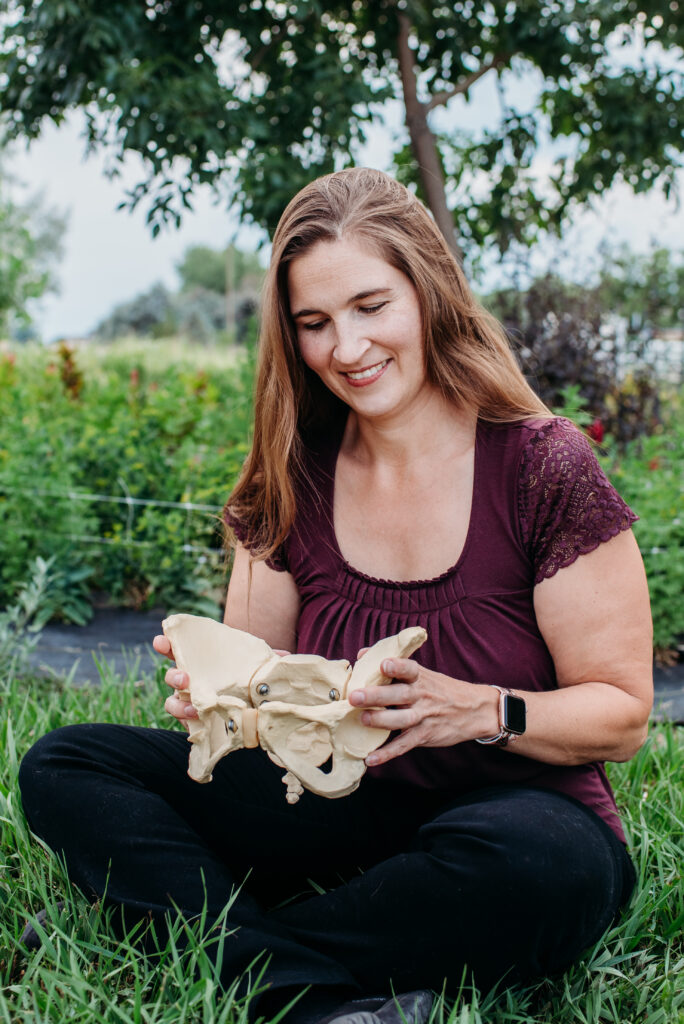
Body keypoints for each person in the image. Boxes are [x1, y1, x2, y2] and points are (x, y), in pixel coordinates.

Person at [19, 168, 653, 1024]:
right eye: (314, 324)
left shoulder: (543, 466)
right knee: (67, 764)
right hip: (328, 804)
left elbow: (622, 714)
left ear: (428, 293)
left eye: (370, 307)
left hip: (511, 815)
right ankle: (310, 987)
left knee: (550, 868)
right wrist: (215, 699)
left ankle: (239, 950)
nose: (346, 349)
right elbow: (254, 701)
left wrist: (474, 710)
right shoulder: (293, 476)